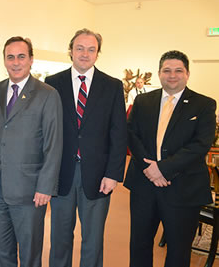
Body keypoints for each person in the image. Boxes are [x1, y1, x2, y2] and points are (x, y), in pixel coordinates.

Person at [125, 50, 216, 267]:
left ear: (187, 74)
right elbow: (131, 134)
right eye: (167, 70)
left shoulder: (203, 105)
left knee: (178, 249)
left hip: (183, 187)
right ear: (159, 73)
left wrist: (163, 169)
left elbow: (200, 144)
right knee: (139, 245)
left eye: (178, 70)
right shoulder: (143, 101)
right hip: (144, 185)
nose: (172, 75)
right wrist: (151, 169)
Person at [45, 28, 127, 267]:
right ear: (70, 51)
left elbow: (118, 133)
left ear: (97, 54)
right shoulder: (53, 83)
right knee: (59, 238)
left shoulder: (112, 86)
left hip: (98, 175)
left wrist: (113, 174)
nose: (85, 53)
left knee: (92, 239)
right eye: (80, 48)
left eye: (91, 49)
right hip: (61, 174)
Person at [0, 36, 63, 267]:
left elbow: (53, 143)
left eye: (21, 56)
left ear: (31, 60)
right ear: (4, 60)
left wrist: (45, 187)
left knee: (29, 256)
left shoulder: (47, 94)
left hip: (30, 192)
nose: (16, 62)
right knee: (1, 253)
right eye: (10, 57)